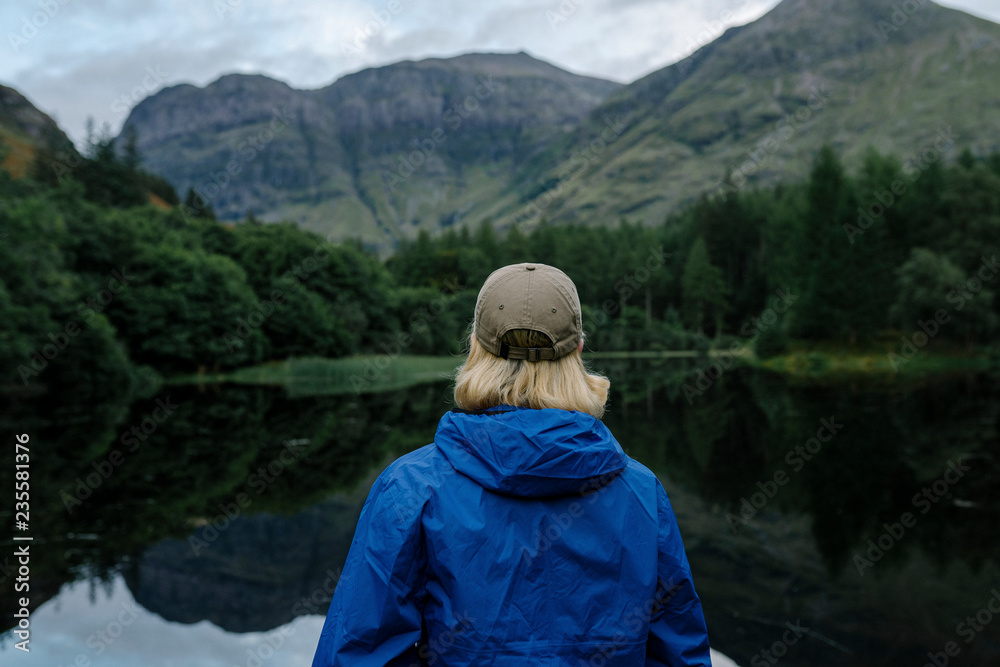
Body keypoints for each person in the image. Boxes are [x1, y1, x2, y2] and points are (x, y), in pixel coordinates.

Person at [312, 262, 712, 666]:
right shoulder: (642, 492)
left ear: (474, 347)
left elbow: (356, 655)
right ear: (578, 350)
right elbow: (680, 654)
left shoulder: (409, 488)